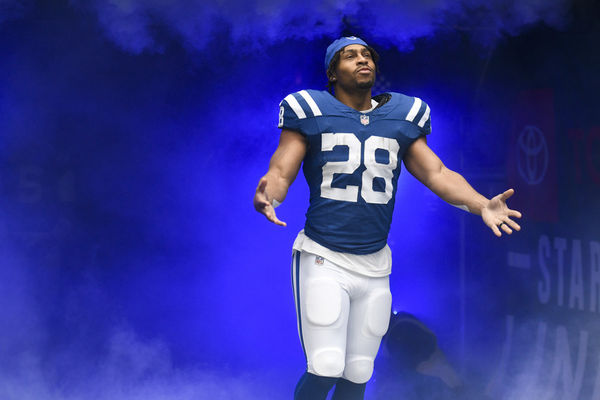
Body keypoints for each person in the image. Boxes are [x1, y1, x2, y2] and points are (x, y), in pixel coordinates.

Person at [253, 36, 521, 400]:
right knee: (327, 364)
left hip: (376, 261)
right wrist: (269, 194)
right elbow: (282, 168)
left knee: (359, 369)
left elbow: (438, 173)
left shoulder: (401, 116)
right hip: (324, 255)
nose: (363, 60)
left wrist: (480, 204)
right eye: (350, 56)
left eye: (367, 55)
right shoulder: (310, 110)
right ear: (332, 73)